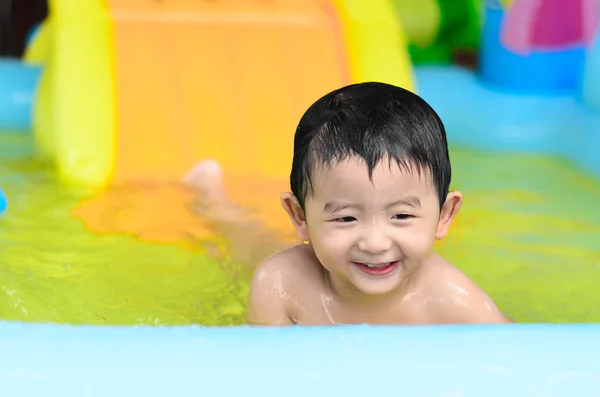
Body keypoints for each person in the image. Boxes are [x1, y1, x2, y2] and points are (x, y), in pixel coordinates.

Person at [188, 82, 511, 325]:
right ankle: (211, 199)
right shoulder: (281, 284)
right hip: (300, 256)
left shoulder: (457, 304)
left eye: (400, 215)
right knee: (247, 244)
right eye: (346, 219)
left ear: (444, 215)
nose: (374, 242)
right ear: (299, 215)